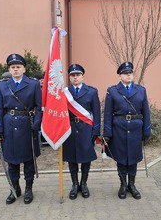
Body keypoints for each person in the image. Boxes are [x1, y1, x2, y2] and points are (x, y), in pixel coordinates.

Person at [0, 53, 42, 204]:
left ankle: (28, 188)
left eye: (18, 67)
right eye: (12, 67)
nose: (15, 70)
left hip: (27, 125)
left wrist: (36, 125)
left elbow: (39, 107)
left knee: (28, 160)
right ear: (9, 69)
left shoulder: (33, 84)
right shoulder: (2, 85)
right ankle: (14, 189)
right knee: (12, 161)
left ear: (24, 69)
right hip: (8, 126)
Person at [103, 61, 151, 200]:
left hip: (136, 128)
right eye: (125, 73)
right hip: (119, 128)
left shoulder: (141, 90)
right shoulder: (112, 91)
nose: (128, 75)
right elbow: (107, 113)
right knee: (122, 158)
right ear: (120, 76)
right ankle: (123, 185)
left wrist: (147, 129)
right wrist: (107, 133)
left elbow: (146, 111)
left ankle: (132, 185)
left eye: (130, 73)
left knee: (134, 158)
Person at [63, 64, 101, 200]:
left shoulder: (91, 91)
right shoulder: (64, 92)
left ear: (82, 77)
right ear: (69, 77)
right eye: (73, 75)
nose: (75, 77)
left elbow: (96, 112)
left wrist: (96, 130)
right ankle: (74, 184)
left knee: (86, 158)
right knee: (71, 158)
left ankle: (84, 184)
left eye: (78, 75)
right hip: (70, 129)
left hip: (86, 128)